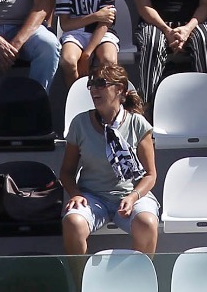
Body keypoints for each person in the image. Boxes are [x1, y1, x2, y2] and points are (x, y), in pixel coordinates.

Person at [60, 62, 159, 256]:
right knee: (73, 222)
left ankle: (141, 282)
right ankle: (80, 285)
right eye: (91, 84)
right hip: (93, 197)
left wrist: (132, 198)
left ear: (120, 89)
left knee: (147, 223)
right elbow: (66, 172)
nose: (93, 89)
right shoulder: (80, 123)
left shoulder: (137, 123)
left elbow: (150, 174)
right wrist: (75, 194)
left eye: (100, 83)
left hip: (132, 194)